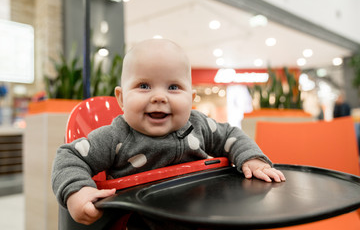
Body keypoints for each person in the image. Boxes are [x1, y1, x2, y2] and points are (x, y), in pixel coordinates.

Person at [52, 39, 285, 227]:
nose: (159, 97)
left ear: (191, 100)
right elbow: (69, 157)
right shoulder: (116, 136)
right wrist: (77, 191)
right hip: (139, 221)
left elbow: (232, 136)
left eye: (173, 87)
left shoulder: (199, 125)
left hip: (203, 214)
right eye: (144, 86)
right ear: (122, 99)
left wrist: (252, 159)